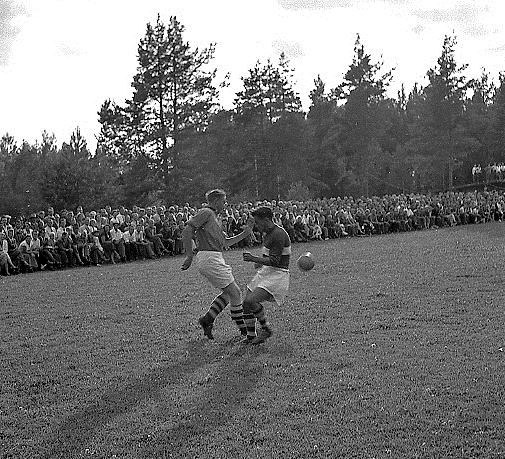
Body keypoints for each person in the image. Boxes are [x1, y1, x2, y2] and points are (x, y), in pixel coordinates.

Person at [181, 189, 254, 340]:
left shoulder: (214, 218)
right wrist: (189, 255)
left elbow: (225, 243)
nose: (225, 204)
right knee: (235, 293)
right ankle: (244, 329)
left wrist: (245, 234)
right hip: (209, 257)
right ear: (215, 202)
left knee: (229, 294)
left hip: (214, 257)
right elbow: (187, 231)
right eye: (223, 201)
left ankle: (207, 320)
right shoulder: (206, 212)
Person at [242, 206, 291, 344]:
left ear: (267, 220)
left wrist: (254, 259)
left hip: (277, 274)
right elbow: (268, 256)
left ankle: (266, 328)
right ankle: (251, 336)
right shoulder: (268, 233)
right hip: (267, 271)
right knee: (246, 304)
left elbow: (275, 261)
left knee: (250, 301)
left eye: (258, 222)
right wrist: (259, 262)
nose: (256, 226)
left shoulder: (278, 234)